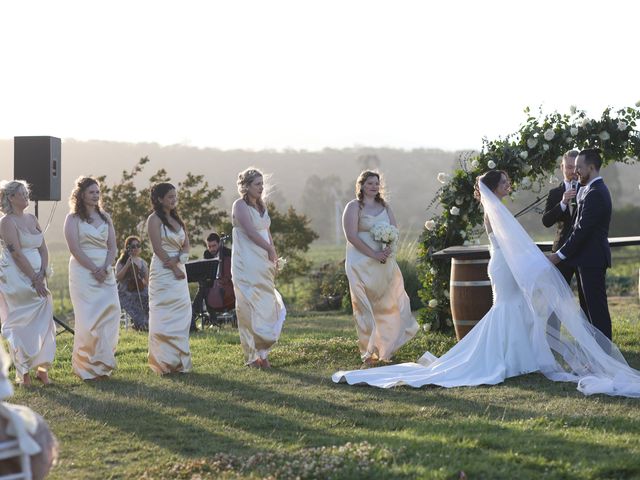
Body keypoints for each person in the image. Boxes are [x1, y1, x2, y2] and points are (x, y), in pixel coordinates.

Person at [333, 170, 640, 398]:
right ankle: (505, 359)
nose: (509, 185)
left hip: (504, 263)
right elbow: (510, 245)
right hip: (504, 265)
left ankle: (520, 358)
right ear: (495, 187)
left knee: (514, 307)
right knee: (507, 307)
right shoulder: (494, 209)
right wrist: (537, 260)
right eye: (505, 181)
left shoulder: (497, 207)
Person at [341, 170, 418, 367]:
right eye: (369, 184)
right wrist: (373, 254)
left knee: (386, 305)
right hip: (360, 263)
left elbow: (394, 232)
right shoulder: (353, 207)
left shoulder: (385, 207)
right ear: (361, 186)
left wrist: (387, 252)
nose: (374, 187)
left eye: (376, 183)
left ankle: (385, 348)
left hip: (383, 263)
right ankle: (368, 353)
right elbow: (351, 236)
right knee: (364, 307)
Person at [550, 148, 613, 340]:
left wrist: (558, 255)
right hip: (587, 259)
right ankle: (597, 358)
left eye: (579, 167)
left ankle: (604, 360)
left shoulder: (595, 193)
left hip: (592, 259)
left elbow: (581, 230)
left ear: (591, 167)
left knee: (596, 311)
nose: (575, 171)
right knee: (590, 311)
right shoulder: (589, 190)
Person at [64, 176, 120, 381]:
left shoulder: (105, 218)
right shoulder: (72, 219)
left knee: (112, 312)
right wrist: (93, 269)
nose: (96, 195)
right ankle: (87, 367)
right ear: (81, 195)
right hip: (83, 272)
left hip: (105, 271)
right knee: (88, 319)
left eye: (98, 192)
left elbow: (112, 246)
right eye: (91, 192)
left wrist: (105, 267)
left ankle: (103, 364)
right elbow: (74, 248)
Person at [0, 180, 56, 385]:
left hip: (38, 276)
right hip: (17, 278)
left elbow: (43, 247)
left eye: (26, 192)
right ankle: (24, 374)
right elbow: (16, 254)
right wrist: (33, 278)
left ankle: (42, 369)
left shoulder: (32, 218)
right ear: (11, 197)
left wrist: (42, 272)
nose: (26, 196)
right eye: (21, 193)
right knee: (22, 325)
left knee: (44, 323)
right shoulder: (7, 222)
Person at [231, 168, 285, 368]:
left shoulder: (262, 206)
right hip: (246, 261)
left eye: (262, 184)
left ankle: (264, 353)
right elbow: (251, 232)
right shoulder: (239, 205)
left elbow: (266, 232)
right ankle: (252, 356)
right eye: (257, 184)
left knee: (265, 305)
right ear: (246, 186)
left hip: (263, 261)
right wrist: (268, 249)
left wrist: (274, 254)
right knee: (248, 306)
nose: (261, 188)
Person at [146, 182, 192, 374]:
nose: (174, 200)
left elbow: (187, 245)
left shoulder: (177, 219)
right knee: (163, 315)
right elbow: (157, 248)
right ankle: (164, 362)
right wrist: (174, 268)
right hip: (163, 271)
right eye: (170, 197)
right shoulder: (153, 219)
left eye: (175, 196)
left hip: (178, 267)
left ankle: (180, 360)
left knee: (182, 314)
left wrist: (180, 260)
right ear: (159, 199)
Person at [542, 149, 581, 285]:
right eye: (569, 167)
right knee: (559, 299)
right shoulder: (555, 193)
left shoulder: (587, 190)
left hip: (583, 251)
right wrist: (563, 203)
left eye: (576, 167)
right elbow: (546, 221)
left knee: (586, 298)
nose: (573, 171)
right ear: (562, 167)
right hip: (560, 252)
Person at [190, 232, 232, 332]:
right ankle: (211, 320)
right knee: (205, 288)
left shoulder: (227, 252)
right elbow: (206, 271)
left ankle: (193, 313)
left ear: (219, 244)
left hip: (226, 284)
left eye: (214, 246)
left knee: (205, 290)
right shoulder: (207, 254)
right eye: (209, 246)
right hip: (212, 283)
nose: (212, 249)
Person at [115, 235, 149, 331]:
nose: (136, 248)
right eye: (133, 246)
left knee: (149, 299)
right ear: (128, 248)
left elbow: (147, 281)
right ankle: (140, 324)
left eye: (138, 245)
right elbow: (118, 277)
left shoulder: (143, 263)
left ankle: (146, 324)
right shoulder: (121, 261)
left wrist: (143, 281)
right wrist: (127, 265)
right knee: (133, 301)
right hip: (125, 292)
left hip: (140, 290)